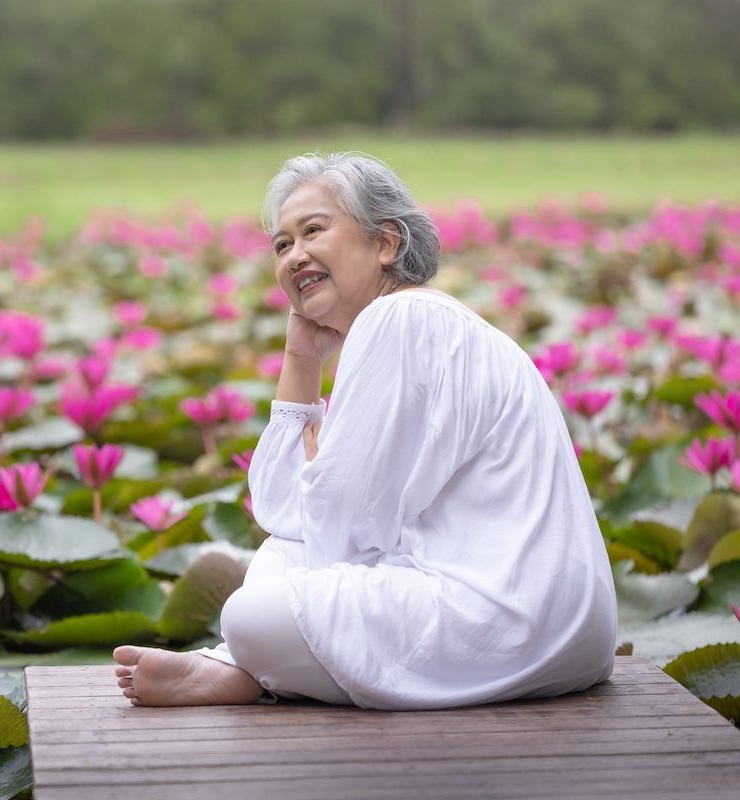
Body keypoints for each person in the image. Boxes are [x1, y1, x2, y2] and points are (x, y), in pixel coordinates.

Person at [114, 152, 617, 710]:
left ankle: (243, 666)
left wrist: (321, 469)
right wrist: (300, 359)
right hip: (563, 631)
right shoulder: (421, 321)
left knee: (250, 615)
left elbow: (341, 531)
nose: (294, 256)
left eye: (313, 230)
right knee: (281, 558)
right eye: (282, 245)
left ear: (385, 243)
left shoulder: (400, 319)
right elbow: (285, 518)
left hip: (508, 619)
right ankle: (245, 667)